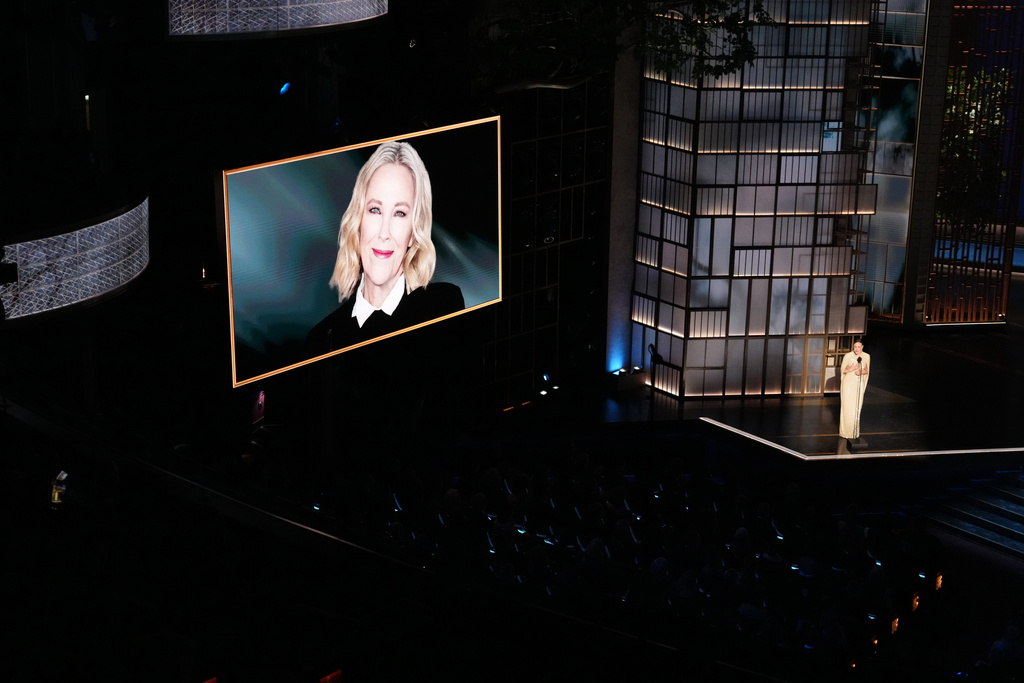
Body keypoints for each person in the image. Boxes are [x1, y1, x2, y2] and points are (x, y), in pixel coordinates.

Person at [307, 141, 464, 355]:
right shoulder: (321, 339)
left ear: (413, 232)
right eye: (375, 210)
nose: (384, 232)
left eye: (399, 213)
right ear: (358, 221)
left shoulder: (442, 306)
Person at [839, 340, 870, 440]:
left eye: (859, 347)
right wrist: (851, 369)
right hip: (848, 385)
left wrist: (861, 371)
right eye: (855, 347)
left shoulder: (866, 356)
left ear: (862, 347)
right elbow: (843, 370)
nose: (856, 349)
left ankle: (854, 432)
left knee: (856, 407)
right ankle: (845, 431)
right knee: (847, 407)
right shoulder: (848, 356)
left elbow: (867, 370)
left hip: (858, 385)